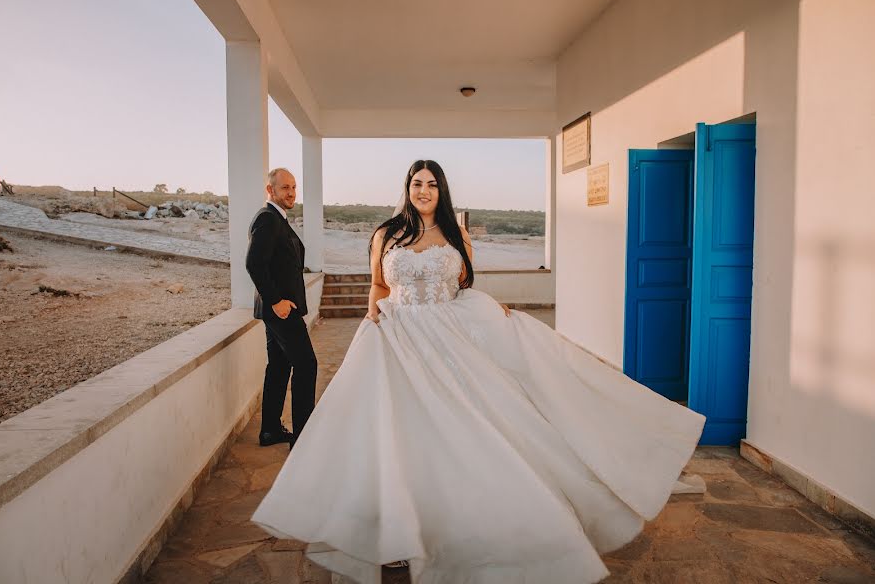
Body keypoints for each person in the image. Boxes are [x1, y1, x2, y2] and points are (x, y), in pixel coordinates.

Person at [252, 159, 705, 583]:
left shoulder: (457, 235)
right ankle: (398, 532)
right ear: (406, 190)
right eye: (416, 183)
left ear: (440, 190)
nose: (424, 190)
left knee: (465, 427)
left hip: (447, 341)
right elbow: (378, 284)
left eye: (431, 184)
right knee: (399, 432)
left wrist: (492, 313)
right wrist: (373, 316)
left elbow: (464, 286)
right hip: (396, 338)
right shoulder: (385, 233)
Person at [245, 167, 317, 448]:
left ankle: (270, 431)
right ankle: (303, 437)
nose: (291, 193)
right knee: (307, 365)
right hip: (281, 310)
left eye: (293, 187)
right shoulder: (268, 219)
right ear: (270, 190)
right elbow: (254, 264)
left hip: (280, 310)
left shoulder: (277, 219)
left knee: (278, 366)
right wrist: (275, 300)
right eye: (285, 187)